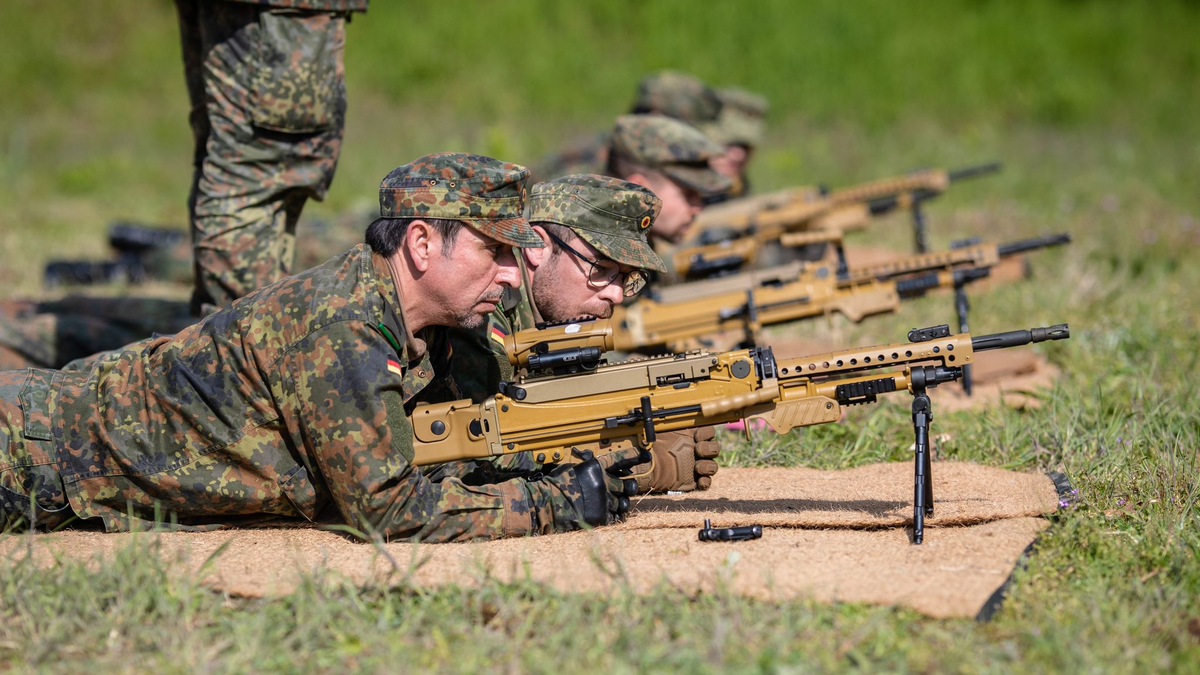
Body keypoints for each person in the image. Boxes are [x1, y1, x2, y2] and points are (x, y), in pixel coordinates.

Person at [0, 153, 644, 541]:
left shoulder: (431, 326)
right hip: (32, 451)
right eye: (494, 250)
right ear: (422, 244)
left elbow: (452, 449)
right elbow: (388, 509)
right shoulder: (343, 326)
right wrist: (552, 504)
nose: (511, 274)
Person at [453, 174, 721, 493]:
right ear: (537, 246)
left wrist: (641, 427)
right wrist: (634, 464)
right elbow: (469, 460)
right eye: (601, 268)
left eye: (626, 277)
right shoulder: (483, 318)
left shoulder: (555, 320)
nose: (616, 295)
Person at [174, 0, 367, 317]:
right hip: (277, 10)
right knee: (262, 164)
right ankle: (240, 335)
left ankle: (221, 332)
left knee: (232, 156)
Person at [603, 114, 732, 250]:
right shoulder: (602, 256)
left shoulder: (622, 244)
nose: (698, 206)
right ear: (638, 192)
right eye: (688, 194)